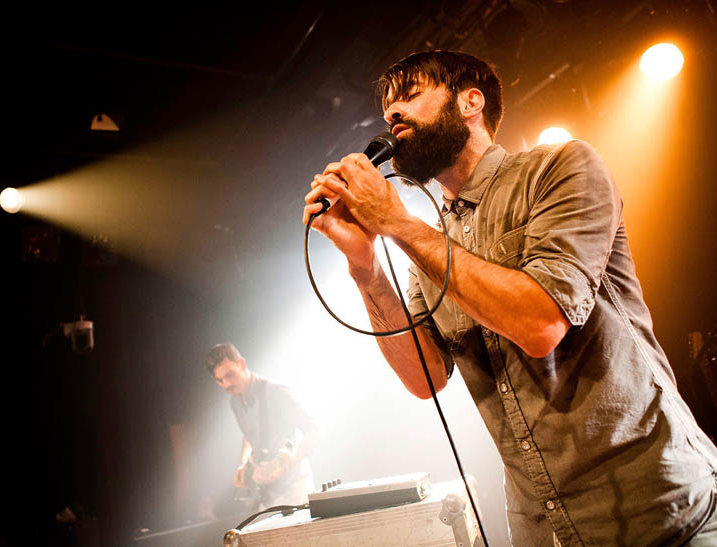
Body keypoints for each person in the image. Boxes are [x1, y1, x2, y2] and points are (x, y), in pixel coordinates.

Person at [303, 50, 717, 545]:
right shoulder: (429, 243)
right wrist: (366, 270)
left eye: (410, 97)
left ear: (471, 101)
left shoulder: (560, 166)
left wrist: (397, 223)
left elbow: (540, 325)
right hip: (545, 528)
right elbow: (424, 378)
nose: (392, 115)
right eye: (387, 108)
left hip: (658, 510)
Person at [206, 342, 320, 511]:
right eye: (220, 380)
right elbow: (250, 435)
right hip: (266, 495)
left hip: (294, 489)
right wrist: (243, 463)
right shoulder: (235, 401)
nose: (226, 385)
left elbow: (313, 429)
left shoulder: (276, 391)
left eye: (230, 375)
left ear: (242, 364)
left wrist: (286, 464)